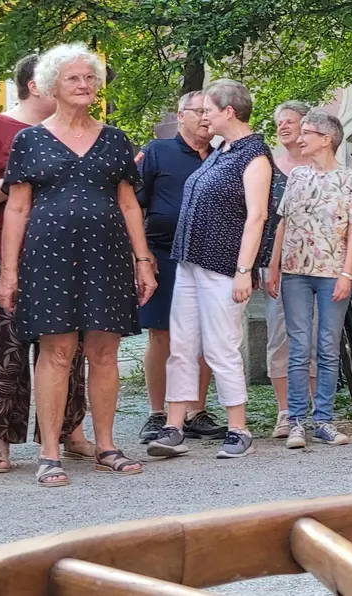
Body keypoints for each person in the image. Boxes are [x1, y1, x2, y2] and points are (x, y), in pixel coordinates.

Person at [0, 44, 159, 487]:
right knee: (57, 352)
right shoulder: (29, 140)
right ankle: (50, 453)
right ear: (52, 85)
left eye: (90, 78)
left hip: (107, 255)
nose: (84, 85)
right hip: (47, 258)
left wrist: (143, 261)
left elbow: (129, 205)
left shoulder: (115, 138)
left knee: (105, 353)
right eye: (73, 78)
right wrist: (8, 273)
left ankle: (106, 444)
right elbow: (16, 210)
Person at [0, 53, 94, 472]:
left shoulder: (81, 133)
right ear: (37, 85)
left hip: (66, 253)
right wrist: (23, 176)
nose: (77, 85)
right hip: (3, 251)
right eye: (64, 77)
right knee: (3, 347)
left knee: (68, 351)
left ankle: (68, 433)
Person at [146, 80, 273, 460]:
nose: (204, 116)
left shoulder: (254, 156)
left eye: (209, 110)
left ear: (228, 112)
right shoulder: (221, 151)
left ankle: (239, 428)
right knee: (181, 346)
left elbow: (258, 216)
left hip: (222, 264)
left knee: (221, 346)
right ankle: (173, 426)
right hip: (189, 261)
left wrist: (244, 270)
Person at [268, 110, 352, 447]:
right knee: (298, 348)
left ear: (326, 139)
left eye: (307, 132)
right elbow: (282, 222)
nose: (300, 137)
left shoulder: (350, 179)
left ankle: (323, 419)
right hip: (294, 273)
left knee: (326, 346)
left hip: (332, 274)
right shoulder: (297, 177)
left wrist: (346, 273)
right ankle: (296, 422)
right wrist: (273, 266)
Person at [133, 92, 224, 444]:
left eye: (210, 112)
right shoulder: (157, 151)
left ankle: (195, 411)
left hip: (209, 257)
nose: (205, 118)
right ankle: (158, 414)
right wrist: (139, 255)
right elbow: (132, 204)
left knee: (204, 336)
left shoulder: (222, 158)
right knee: (162, 335)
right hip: (162, 254)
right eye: (198, 111)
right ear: (180, 115)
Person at [263, 100, 314, 438]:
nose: (282, 127)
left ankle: (309, 411)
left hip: (319, 263)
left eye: (290, 121)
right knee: (280, 337)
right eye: (279, 122)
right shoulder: (268, 168)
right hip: (280, 263)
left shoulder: (320, 167)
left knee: (316, 338)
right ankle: (284, 412)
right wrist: (266, 265)